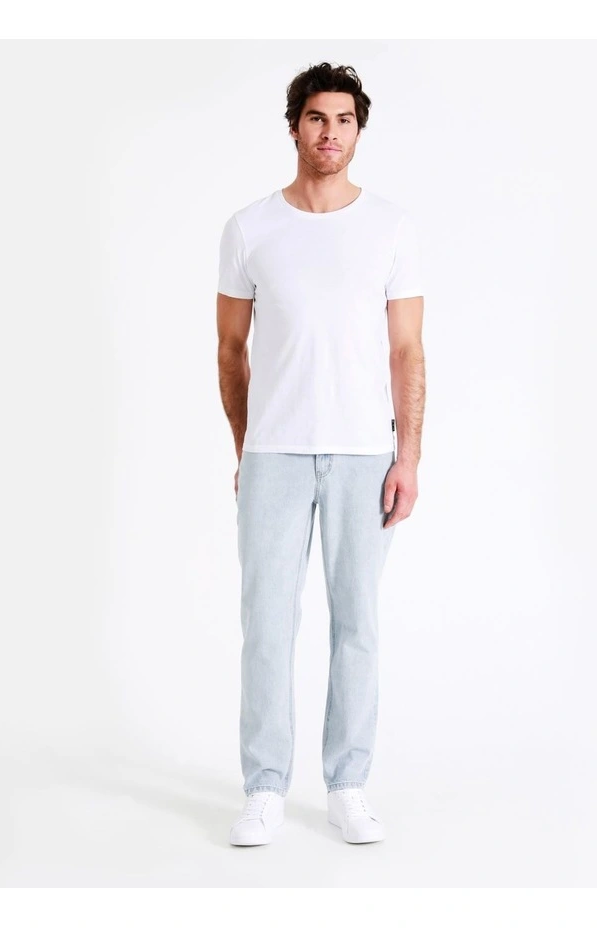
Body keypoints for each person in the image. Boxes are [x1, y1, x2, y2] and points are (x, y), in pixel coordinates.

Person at [216, 62, 425, 846]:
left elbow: (407, 351)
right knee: (267, 624)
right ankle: (265, 788)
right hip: (274, 453)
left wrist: (408, 459)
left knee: (357, 623)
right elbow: (230, 350)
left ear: (358, 131)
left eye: (343, 119)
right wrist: (247, 449)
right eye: (315, 117)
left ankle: (347, 784)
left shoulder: (391, 227)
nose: (329, 132)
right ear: (294, 127)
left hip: (366, 453)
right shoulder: (250, 228)